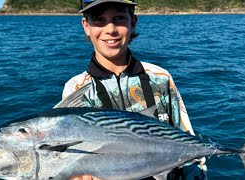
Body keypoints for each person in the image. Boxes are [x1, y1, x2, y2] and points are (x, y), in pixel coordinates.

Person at [55, 0, 207, 179]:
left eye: (119, 18)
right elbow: (67, 157)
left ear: (133, 22)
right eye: (99, 20)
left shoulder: (160, 77)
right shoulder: (77, 88)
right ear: (86, 26)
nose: (110, 29)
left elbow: (188, 141)